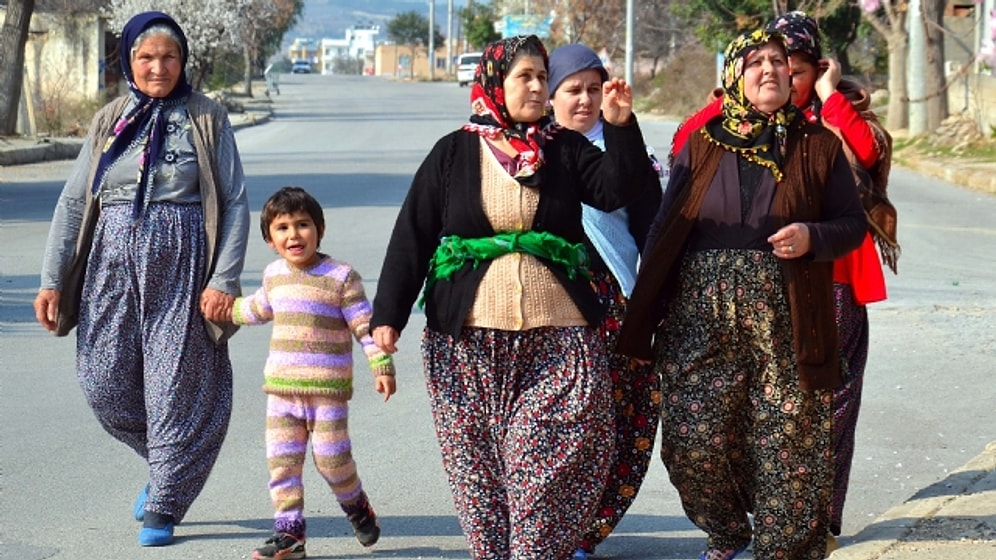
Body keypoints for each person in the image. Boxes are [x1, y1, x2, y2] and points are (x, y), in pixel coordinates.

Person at [370, 35, 657, 560]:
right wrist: (387, 317)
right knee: (477, 472)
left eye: (541, 77)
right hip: (467, 345)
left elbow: (618, 189)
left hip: (559, 339)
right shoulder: (453, 152)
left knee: (541, 461)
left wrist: (619, 126)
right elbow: (412, 233)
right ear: (496, 83)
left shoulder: (564, 148)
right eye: (524, 76)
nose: (536, 87)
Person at [616, 29, 867, 560]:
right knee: (693, 442)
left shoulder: (818, 145)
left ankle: (784, 549)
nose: (769, 70)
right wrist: (645, 313)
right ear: (733, 74)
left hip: (789, 315)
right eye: (755, 62)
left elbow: (853, 224)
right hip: (700, 316)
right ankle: (727, 529)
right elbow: (664, 230)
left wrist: (811, 237)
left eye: (779, 61)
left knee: (789, 442)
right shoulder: (702, 143)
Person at [670, 12, 901, 552]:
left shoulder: (824, 133)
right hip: (718, 307)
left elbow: (860, 171)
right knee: (707, 428)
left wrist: (827, 95)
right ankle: (739, 518)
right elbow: (670, 215)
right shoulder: (710, 131)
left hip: (820, 291)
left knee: (812, 421)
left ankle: (811, 524)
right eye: (763, 63)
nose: (780, 74)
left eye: (791, 65)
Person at [32, 11, 250, 547]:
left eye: (169, 57)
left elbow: (237, 201)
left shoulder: (207, 117)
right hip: (110, 263)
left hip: (182, 263)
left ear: (184, 61)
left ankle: (165, 502)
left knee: (174, 387)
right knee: (101, 380)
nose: (158, 67)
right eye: (146, 57)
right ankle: (167, 465)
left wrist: (223, 279)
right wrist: (52, 278)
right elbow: (73, 199)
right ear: (129, 59)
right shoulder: (109, 119)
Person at [224, 186, 397, 560]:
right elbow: (254, 309)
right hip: (281, 393)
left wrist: (381, 364)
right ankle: (290, 535)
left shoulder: (340, 276)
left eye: (302, 225)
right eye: (282, 228)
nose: (293, 235)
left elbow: (364, 327)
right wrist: (223, 310)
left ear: (319, 229)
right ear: (270, 239)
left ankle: (357, 507)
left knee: (333, 461)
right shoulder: (272, 276)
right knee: (282, 464)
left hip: (327, 394)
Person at [546, 43, 663, 560]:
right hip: (554, 306)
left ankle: (587, 530)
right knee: (561, 422)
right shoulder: (531, 154)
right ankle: (548, 523)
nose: (585, 100)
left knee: (626, 415)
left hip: (614, 303)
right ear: (550, 96)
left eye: (593, 89)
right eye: (573, 90)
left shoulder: (625, 150)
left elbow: (651, 231)